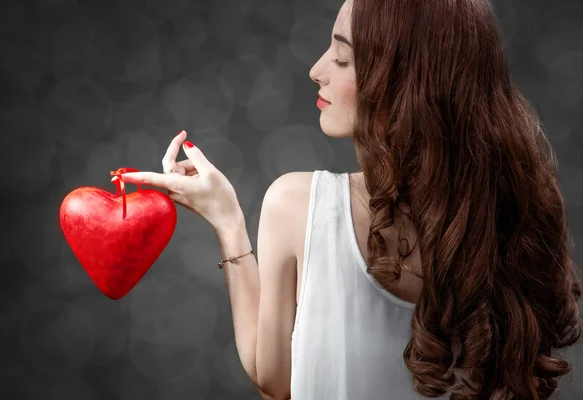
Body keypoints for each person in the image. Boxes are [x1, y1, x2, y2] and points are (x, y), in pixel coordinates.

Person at [118, 0, 582, 399]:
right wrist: (228, 221)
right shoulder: (512, 220)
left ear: (403, 83)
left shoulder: (299, 205)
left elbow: (276, 383)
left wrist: (228, 220)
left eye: (342, 58)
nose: (316, 69)